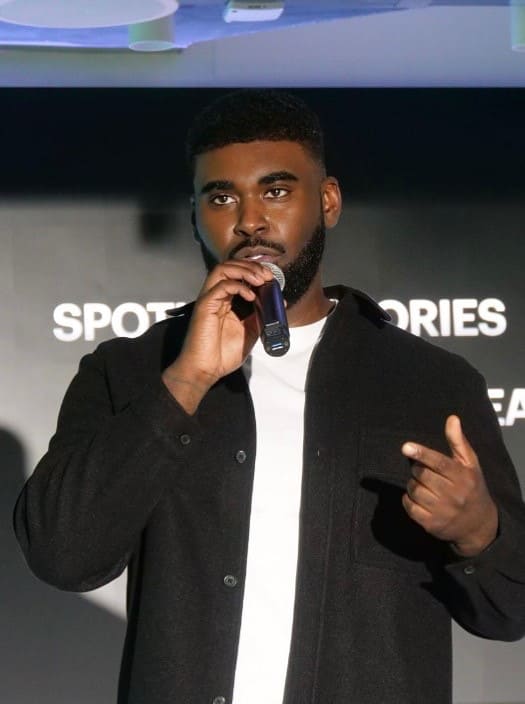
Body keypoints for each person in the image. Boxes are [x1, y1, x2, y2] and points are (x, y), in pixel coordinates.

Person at [14, 90, 525, 704]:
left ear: (327, 201)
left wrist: (479, 531)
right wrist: (186, 381)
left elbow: (510, 611)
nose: (250, 220)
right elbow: (62, 555)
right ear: (195, 216)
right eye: (221, 197)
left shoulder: (432, 382)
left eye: (276, 191)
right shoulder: (129, 371)